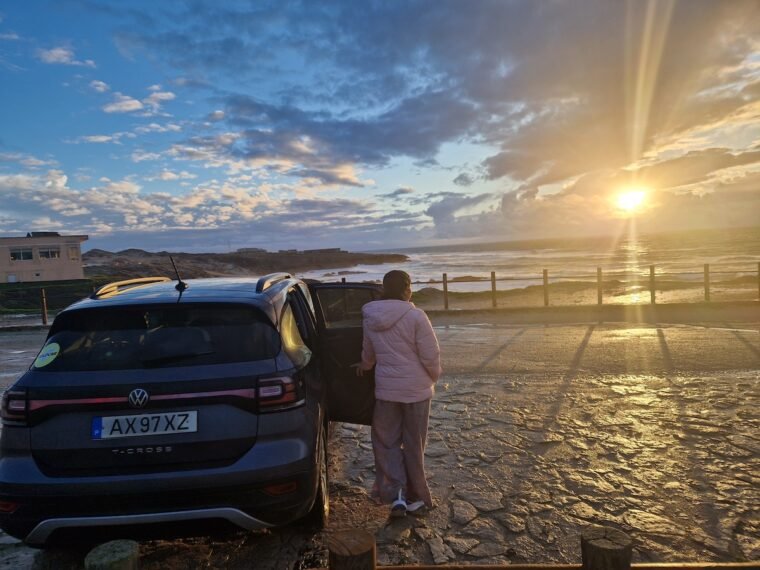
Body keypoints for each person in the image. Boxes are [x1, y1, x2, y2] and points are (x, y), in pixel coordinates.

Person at [356, 270, 442, 517]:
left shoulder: (371, 316)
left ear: (384, 288)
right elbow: (431, 355)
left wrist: (364, 366)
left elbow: (368, 352)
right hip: (416, 391)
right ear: (407, 289)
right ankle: (416, 497)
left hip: (387, 391)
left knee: (387, 443)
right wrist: (432, 377)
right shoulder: (416, 316)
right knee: (414, 444)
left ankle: (397, 496)